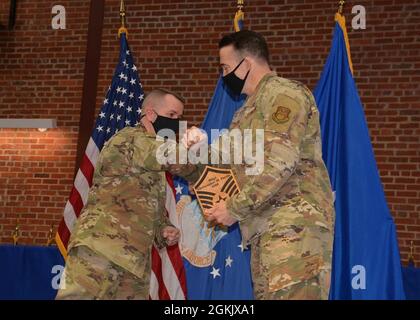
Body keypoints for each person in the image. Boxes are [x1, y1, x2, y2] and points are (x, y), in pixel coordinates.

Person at [172, 30, 335, 300]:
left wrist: (234, 208)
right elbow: (227, 160)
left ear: (245, 63)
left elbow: (279, 162)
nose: (224, 76)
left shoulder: (284, 94)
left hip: (294, 226)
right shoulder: (246, 111)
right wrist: (198, 149)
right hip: (265, 228)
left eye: (225, 67)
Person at [56, 89, 184, 300]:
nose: (176, 122)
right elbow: (177, 159)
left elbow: (145, 203)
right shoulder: (132, 139)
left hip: (133, 258)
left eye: (179, 117)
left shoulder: (153, 156)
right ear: (150, 113)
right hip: (102, 247)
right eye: (172, 115)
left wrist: (164, 228)